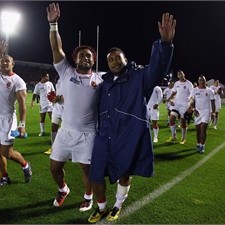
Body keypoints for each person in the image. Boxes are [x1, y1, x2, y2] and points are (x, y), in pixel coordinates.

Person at [88, 12, 176, 223]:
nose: (114, 61)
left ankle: (117, 204)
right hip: (104, 134)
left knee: (124, 172)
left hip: (127, 135)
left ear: (126, 60)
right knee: (96, 173)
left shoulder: (139, 77)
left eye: (118, 57)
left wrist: (164, 44)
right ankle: (101, 207)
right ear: (106, 64)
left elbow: (157, 69)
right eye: (110, 59)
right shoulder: (103, 83)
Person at [46, 2, 104, 211]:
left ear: (93, 59)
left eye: (89, 55)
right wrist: (54, 25)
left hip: (88, 133)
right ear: (75, 59)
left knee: (87, 170)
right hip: (66, 132)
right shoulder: (67, 72)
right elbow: (56, 48)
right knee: (54, 168)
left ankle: (88, 196)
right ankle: (63, 189)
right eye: (81, 55)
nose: (85, 57)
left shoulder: (100, 80)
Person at [0, 40, 32, 185]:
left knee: (7, 152)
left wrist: (22, 124)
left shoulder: (18, 81)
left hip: (8, 120)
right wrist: (1, 51)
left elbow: (22, 106)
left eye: (8, 61)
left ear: (13, 64)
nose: (5, 63)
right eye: (2, 61)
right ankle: (4, 176)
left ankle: (25, 165)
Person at [166, 70, 193, 144]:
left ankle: (183, 138)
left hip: (184, 105)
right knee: (171, 119)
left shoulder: (189, 83)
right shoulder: (176, 83)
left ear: (184, 74)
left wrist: (190, 105)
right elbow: (174, 92)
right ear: (177, 76)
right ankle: (173, 136)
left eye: (181, 73)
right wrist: (170, 99)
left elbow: (192, 95)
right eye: (178, 74)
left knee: (183, 122)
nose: (180, 75)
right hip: (176, 104)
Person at [189, 75, 215, 153]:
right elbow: (191, 101)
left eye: (203, 80)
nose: (202, 82)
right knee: (198, 129)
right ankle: (198, 144)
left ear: (205, 81)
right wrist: (193, 109)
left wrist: (213, 113)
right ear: (198, 81)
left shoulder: (210, 91)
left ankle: (202, 146)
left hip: (206, 111)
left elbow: (213, 102)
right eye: (200, 80)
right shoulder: (194, 90)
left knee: (203, 128)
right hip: (197, 112)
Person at [30, 72, 55, 136]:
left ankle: (54, 131)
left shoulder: (50, 83)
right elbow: (35, 94)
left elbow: (53, 92)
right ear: (43, 77)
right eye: (47, 76)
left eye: (48, 76)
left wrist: (54, 100)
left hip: (50, 103)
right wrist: (32, 102)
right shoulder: (38, 85)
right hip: (42, 104)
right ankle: (42, 131)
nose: (48, 78)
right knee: (42, 118)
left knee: (52, 117)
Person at [44, 75, 64, 155]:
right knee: (54, 127)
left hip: (67, 108)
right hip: (57, 108)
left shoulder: (70, 80)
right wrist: (54, 97)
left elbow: (73, 94)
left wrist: (60, 97)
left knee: (66, 129)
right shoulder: (58, 80)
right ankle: (53, 147)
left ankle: (69, 150)